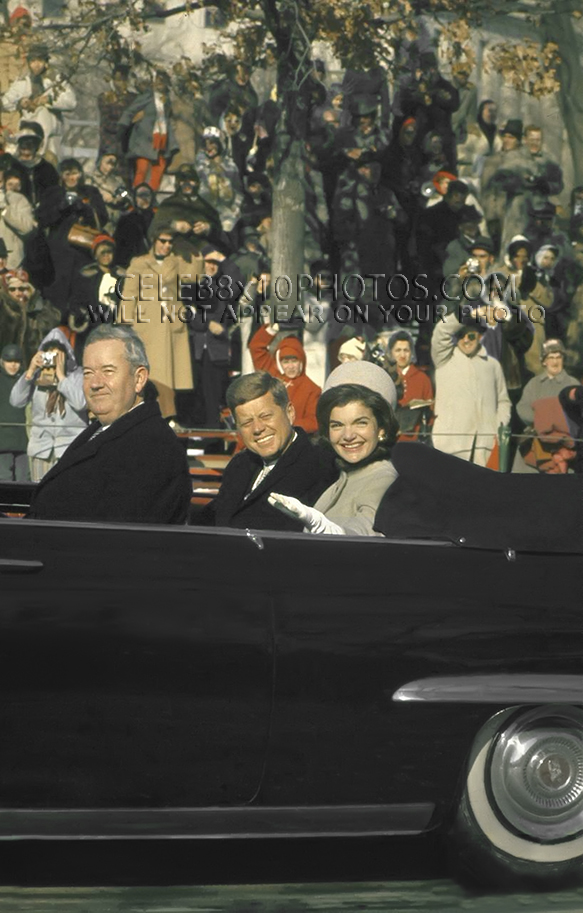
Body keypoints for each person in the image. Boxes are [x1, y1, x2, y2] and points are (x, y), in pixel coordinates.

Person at [27, 325, 192, 523]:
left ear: (139, 379)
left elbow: (121, 535)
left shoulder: (154, 447)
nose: (95, 383)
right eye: (88, 373)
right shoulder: (102, 429)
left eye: (108, 371)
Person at [268, 361, 399, 536]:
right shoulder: (340, 477)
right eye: (337, 425)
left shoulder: (382, 478)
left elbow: (366, 529)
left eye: (360, 423)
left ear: (381, 429)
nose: (348, 435)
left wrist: (324, 527)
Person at [201, 371, 337, 531]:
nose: (258, 428)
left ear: (290, 413)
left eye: (265, 416)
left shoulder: (320, 465)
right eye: (246, 422)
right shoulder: (239, 465)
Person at [122, 223, 201, 419]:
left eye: (170, 242)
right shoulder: (139, 263)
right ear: (154, 241)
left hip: (171, 323)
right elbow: (129, 293)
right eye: (162, 241)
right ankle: (148, 414)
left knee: (170, 374)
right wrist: (125, 323)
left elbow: (195, 276)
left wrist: (192, 249)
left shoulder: (176, 261)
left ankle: (169, 415)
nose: (166, 246)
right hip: (147, 324)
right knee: (150, 372)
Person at [431, 312, 511, 467]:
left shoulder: (492, 365)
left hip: (484, 446)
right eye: (461, 336)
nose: (466, 340)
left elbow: (503, 401)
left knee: (481, 490)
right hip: (450, 445)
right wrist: (473, 313)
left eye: (471, 336)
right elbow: (441, 330)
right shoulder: (444, 358)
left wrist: (497, 428)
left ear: (480, 337)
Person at [9, 326, 88, 481]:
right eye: (49, 355)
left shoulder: (78, 375)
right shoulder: (37, 377)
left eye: (57, 355)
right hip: (42, 448)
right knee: (41, 495)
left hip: (69, 448)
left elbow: (80, 403)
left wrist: (61, 377)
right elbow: (16, 400)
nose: (53, 359)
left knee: (67, 494)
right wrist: (30, 371)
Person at [513, 338, 580, 474]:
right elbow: (522, 407)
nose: (555, 362)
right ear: (544, 361)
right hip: (536, 440)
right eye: (551, 357)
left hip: (563, 443)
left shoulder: (572, 384)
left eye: (558, 357)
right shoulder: (534, 384)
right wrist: (540, 422)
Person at [3, 42, 76, 161]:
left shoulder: (56, 80)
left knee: (50, 164)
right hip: (28, 129)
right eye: (33, 61)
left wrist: (50, 100)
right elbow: (6, 102)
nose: (36, 65)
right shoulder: (23, 81)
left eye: (40, 61)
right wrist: (20, 103)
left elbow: (71, 102)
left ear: (46, 62)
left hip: (51, 133)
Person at [249, 320, 321, 433]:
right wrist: (272, 329)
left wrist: (285, 424)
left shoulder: (312, 389)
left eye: (294, 361)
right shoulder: (271, 374)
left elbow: (314, 422)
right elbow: (256, 347)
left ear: (302, 362)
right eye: (286, 362)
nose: (291, 366)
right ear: (279, 363)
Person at [0, 343, 29, 481]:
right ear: (2, 361)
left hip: (23, 440)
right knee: (4, 480)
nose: (13, 365)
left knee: (24, 480)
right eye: (9, 361)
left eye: (16, 361)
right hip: (2, 441)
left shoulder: (25, 380)